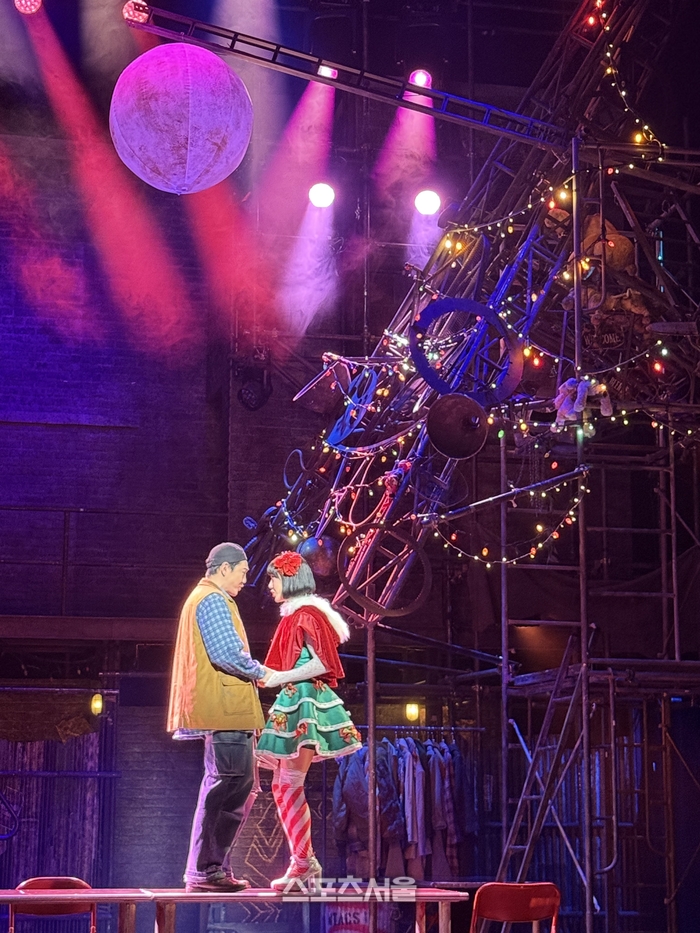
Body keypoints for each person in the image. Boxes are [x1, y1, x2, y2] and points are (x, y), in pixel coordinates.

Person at [167, 542, 271, 893]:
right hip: (227, 712)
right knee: (227, 786)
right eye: (242, 572)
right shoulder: (212, 599)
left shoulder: (208, 597)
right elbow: (227, 653)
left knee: (233, 786)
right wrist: (262, 672)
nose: (245, 579)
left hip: (230, 712)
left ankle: (213, 867)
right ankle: (206, 870)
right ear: (224, 568)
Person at [255, 551, 362, 890]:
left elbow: (321, 663)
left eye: (274, 579)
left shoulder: (306, 614)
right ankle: (302, 861)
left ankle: (304, 862)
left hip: (305, 702)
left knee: (288, 785)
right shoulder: (298, 614)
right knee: (281, 786)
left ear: (289, 580)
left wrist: (278, 677)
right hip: (296, 699)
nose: (270, 586)